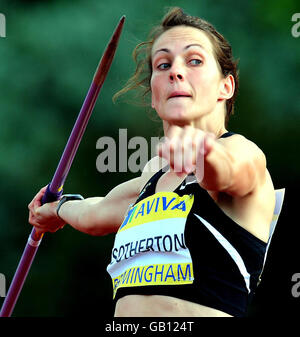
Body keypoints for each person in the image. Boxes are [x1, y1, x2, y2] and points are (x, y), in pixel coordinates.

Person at [28, 7, 276, 317]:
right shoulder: (151, 181)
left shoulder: (242, 152)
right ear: (154, 96)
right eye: (163, 64)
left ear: (226, 86)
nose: (175, 71)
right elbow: (97, 212)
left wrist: (200, 151)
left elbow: (227, 172)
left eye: (195, 60)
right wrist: (55, 209)